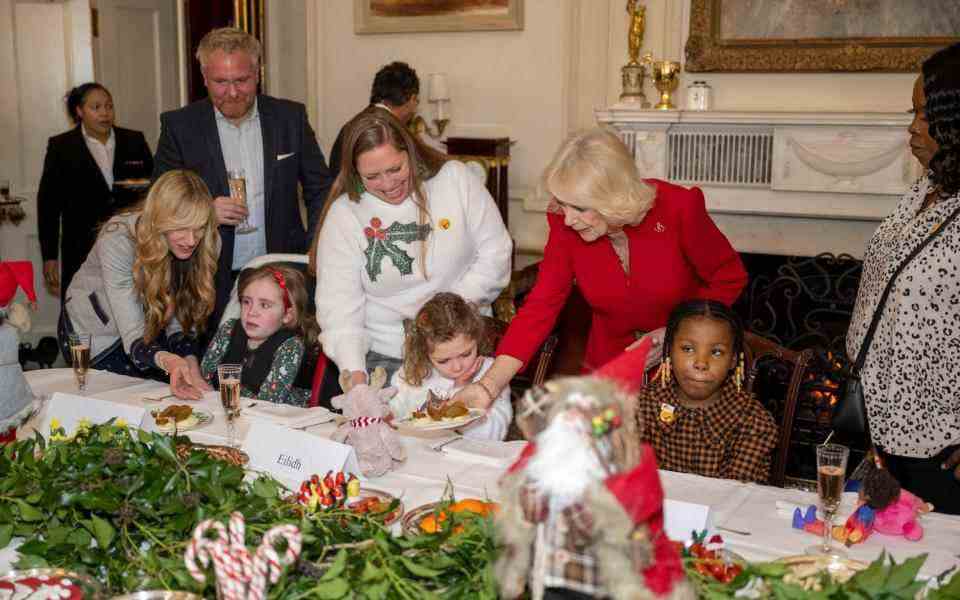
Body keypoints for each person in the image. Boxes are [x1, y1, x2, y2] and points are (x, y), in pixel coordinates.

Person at [454, 127, 747, 411]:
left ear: (614, 199)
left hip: (687, 372)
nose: (568, 219)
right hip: (609, 372)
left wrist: (675, 333)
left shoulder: (678, 208)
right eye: (563, 204)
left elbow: (729, 276)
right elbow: (541, 306)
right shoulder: (564, 223)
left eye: (580, 208)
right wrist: (488, 386)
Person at [310, 107, 512, 386]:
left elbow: (496, 255)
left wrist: (445, 318)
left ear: (411, 153)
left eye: (395, 169)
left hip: (464, 351)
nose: (388, 184)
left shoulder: (454, 180)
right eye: (373, 177)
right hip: (387, 360)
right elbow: (339, 309)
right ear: (355, 174)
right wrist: (356, 378)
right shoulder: (345, 214)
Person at [153, 27, 334, 328]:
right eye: (221, 82)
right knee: (212, 365)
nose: (233, 92)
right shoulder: (179, 126)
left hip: (281, 270)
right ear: (204, 78)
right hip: (207, 274)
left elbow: (321, 189)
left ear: (258, 73)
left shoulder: (290, 118)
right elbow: (158, 201)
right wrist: (204, 211)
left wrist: (313, 252)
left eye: (241, 80)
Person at [846, 42, 960, 515]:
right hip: (878, 429)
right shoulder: (925, 189)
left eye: (925, 114)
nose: (913, 127)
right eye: (911, 112)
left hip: (942, 445)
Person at [60, 170, 218, 398]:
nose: (192, 240)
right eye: (181, 228)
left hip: (151, 324)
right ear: (160, 220)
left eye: (199, 227)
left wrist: (190, 362)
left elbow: (180, 315)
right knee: (116, 409)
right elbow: (134, 333)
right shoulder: (117, 239)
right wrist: (168, 360)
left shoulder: (208, 241)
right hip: (96, 334)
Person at [601, 299, 778, 484]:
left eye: (716, 352)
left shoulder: (753, 420)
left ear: (733, 360)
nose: (701, 363)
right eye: (687, 349)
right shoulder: (643, 405)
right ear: (668, 351)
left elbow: (736, 496)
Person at [38, 83, 154, 304]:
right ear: (79, 111)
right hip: (81, 247)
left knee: (132, 308)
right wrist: (49, 257)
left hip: (131, 243)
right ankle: (77, 342)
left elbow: (150, 192)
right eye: (96, 107)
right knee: (81, 310)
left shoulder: (134, 141)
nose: (105, 113)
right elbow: (48, 205)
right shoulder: (61, 147)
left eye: (109, 106)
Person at [391, 292, 512, 440]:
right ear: (424, 353)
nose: (457, 367)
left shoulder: (492, 372)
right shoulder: (412, 373)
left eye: (466, 354)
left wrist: (462, 394)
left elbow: (493, 437)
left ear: (477, 339)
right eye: (443, 361)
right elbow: (394, 416)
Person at [201, 264, 315, 406]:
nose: (251, 312)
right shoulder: (229, 330)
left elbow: (266, 404)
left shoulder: (290, 346)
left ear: (287, 315)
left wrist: (222, 390)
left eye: (264, 305)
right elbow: (204, 377)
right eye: (246, 302)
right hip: (228, 411)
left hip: (278, 421)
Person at [329, 61, 420, 176]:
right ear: (412, 98)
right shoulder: (387, 129)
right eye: (416, 101)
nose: (414, 109)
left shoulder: (354, 125)